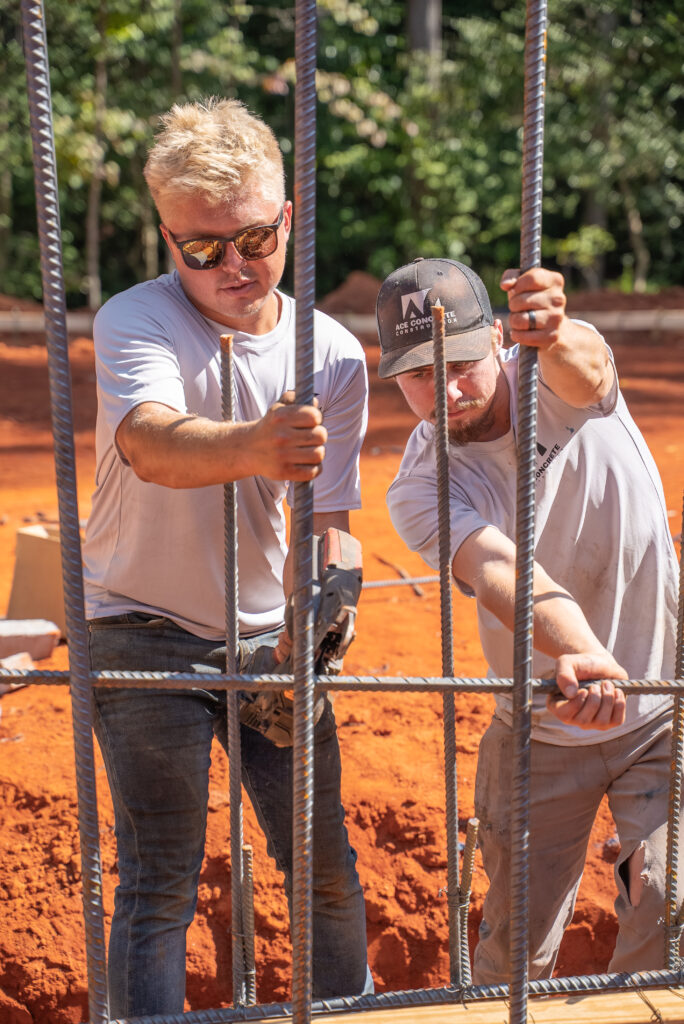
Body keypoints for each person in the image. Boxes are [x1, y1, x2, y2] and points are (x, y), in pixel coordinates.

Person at [83, 97, 371, 1017]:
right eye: (202, 250)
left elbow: (328, 520)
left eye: (253, 239)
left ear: (286, 216)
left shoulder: (332, 353)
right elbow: (151, 444)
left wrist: (325, 605)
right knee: (160, 880)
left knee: (324, 869)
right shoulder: (137, 317)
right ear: (168, 238)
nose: (234, 267)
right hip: (138, 630)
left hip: (266, 640)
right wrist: (257, 443)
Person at [379, 256, 680, 983]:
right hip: (541, 725)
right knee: (518, 949)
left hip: (661, 707)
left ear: (497, 341)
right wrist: (581, 649)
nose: (447, 391)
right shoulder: (422, 484)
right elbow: (499, 568)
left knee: (666, 906)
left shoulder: (552, 377)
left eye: (461, 365)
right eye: (419, 375)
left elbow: (588, 366)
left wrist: (555, 327)